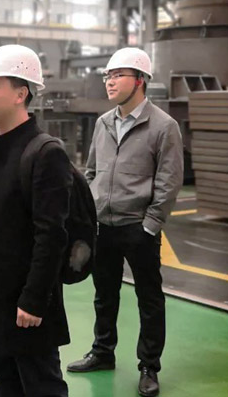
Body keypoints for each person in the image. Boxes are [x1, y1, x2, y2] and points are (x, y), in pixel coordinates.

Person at [66, 47, 183, 397]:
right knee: (104, 295)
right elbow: (90, 171)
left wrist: (150, 224)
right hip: (103, 225)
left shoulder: (164, 126)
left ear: (140, 80)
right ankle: (103, 352)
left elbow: (169, 181)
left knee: (149, 299)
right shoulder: (103, 123)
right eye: (108, 75)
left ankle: (149, 366)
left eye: (118, 75)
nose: (110, 81)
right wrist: (91, 211)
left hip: (139, 227)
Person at [0, 44, 73, 397]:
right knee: (5, 380)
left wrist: (34, 298)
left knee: (41, 385)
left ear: (21, 94)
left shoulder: (44, 152)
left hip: (24, 299)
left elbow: (51, 236)